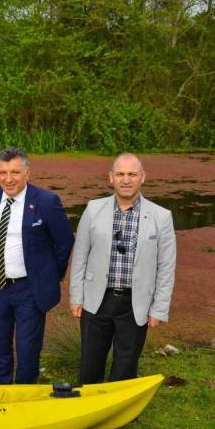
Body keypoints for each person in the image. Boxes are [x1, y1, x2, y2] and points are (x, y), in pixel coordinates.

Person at [69, 153, 176, 383]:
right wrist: (76, 297)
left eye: (132, 174)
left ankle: (118, 414)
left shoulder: (161, 217)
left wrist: (159, 309)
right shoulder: (93, 209)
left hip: (135, 304)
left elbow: (166, 268)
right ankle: (89, 409)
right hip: (96, 300)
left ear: (142, 177)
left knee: (126, 366)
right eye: (120, 174)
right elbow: (80, 257)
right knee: (90, 363)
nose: (125, 180)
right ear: (111, 177)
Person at [0, 147, 74, 384]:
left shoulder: (46, 202)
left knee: (27, 350)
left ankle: (25, 396)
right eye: (3, 172)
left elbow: (64, 243)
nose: (8, 179)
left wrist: (50, 276)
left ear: (27, 173)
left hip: (29, 290)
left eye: (15, 172)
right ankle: (2, 393)